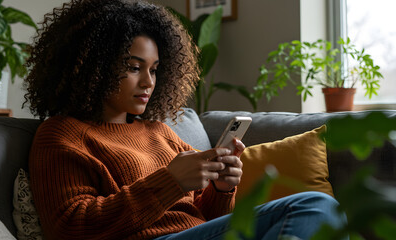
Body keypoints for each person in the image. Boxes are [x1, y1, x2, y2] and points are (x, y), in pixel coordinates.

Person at [23, 0, 346, 239]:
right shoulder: (62, 134)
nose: (148, 82)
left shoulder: (160, 131)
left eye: (154, 69)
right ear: (93, 67)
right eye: (134, 67)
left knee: (332, 218)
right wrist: (171, 180)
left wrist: (221, 188)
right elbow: (70, 226)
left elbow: (203, 217)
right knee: (311, 206)